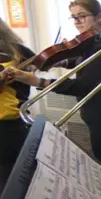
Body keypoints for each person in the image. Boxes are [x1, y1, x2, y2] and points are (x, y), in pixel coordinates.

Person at [8, 0, 101, 178]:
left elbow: (82, 86)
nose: (77, 22)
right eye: (74, 17)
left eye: (82, 16)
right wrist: (55, 62)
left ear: (99, 17)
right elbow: (82, 61)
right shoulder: (100, 36)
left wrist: (37, 82)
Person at [0, 19, 36, 193]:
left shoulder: (17, 50)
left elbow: (43, 61)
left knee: (21, 171)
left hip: (16, 120)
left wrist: (61, 56)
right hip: (9, 124)